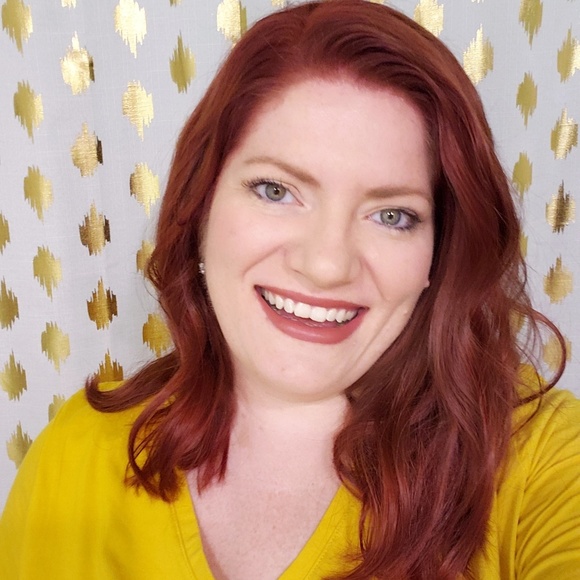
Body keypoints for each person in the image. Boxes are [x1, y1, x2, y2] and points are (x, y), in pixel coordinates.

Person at [1, 1, 579, 578]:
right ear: (200, 207)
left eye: (392, 216)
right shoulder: (75, 452)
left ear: (438, 251)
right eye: (276, 191)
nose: (326, 265)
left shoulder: (542, 456)